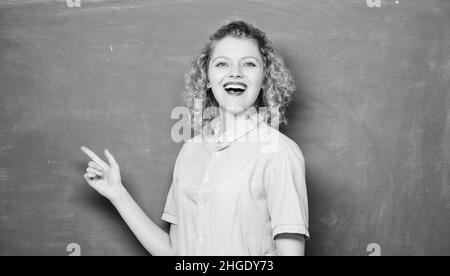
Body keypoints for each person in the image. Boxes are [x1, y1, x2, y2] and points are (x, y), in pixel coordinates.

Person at [81, 20, 309, 256]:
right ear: (207, 78)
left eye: (249, 64)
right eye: (222, 64)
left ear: (264, 78)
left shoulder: (280, 152)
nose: (235, 73)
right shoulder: (191, 149)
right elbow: (174, 252)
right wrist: (118, 194)